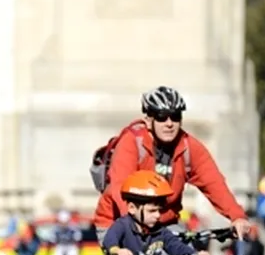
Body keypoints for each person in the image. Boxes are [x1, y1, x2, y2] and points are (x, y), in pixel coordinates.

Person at [93, 86, 251, 241]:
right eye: (162, 117)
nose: (169, 123)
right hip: (118, 223)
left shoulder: (188, 147)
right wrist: (139, 226)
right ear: (149, 120)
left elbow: (214, 183)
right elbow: (121, 189)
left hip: (165, 225)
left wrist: (237, 216)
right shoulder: (132, 142)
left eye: (175, 116)